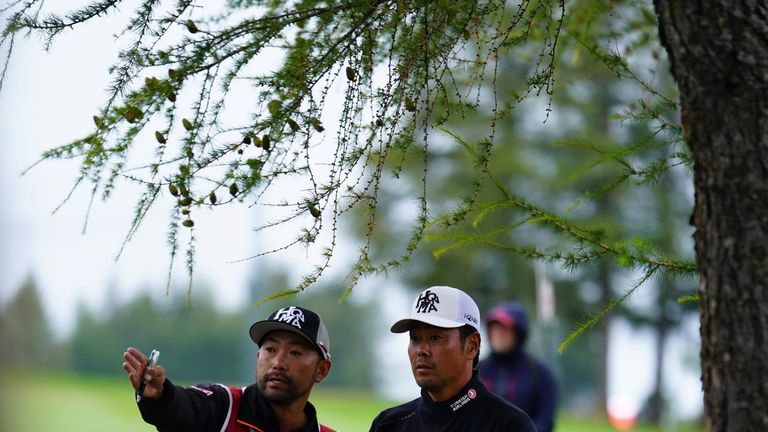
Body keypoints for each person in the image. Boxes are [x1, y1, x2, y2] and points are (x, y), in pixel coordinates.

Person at [122, 305, 336, 432]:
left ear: (322, 370)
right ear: (258, 356)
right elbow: (182, 411)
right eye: (270, 349)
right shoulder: (222, 406)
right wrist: (160, 396)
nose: (278, 363)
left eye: (295, 353)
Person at [369, 286, 535, 432]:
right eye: (415, 338)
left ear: (472, 345)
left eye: (435, 338)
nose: (421, 350)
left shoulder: (508, 425)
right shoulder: (389, 424)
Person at [478, 302, 558, 432]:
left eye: (503, 329)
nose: (497, 334)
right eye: (494, 328)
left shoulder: (540, 373)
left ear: (519, 333)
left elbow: (545, 421)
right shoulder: (477, 370)